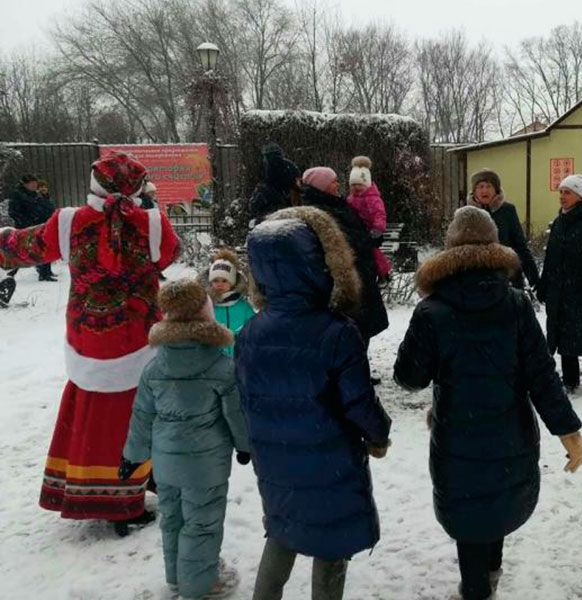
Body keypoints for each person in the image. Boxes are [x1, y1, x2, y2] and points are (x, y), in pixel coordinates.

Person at [394, 206, 582, 600]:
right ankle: (491, 572)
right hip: (510, 431)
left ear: (449, 248)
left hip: (457, 437)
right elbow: (541, 375)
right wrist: (568, 430)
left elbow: (409, 377)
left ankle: (476, 587)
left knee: (469, 510)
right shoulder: (515, 304)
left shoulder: (431, 310)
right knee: (497, 499)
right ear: (494, 245)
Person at [0, 153, 180, 534]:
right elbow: (172, 254)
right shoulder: (151, 224)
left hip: (89, 341)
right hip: (139, 340)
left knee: (94, 419)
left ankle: (100, 489)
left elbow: (22, 247)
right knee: (144, 415)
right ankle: (145, 482)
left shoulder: (68, 222)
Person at [237, 205, 392, 600]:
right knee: (331, 543)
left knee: (283, 531)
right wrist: (379, 435)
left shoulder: (250, 332)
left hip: (276, 461)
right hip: (330, 462)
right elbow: (358, 403)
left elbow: (246, 398)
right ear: (320, 264)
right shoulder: (337, 333)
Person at [120, 279, 250, 599]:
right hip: (205, 465)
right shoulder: (221, 366)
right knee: (202, 524)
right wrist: (246, 446)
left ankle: (177, 577)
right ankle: (199, 588)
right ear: (206, 316)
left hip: (165, 463)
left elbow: (142, 414)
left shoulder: (154, 367)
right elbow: (236, 413)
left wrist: (133, 455)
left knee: (173, 520)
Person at [537, 174, 582, 397]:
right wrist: (543, 284)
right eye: (560, 192)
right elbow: (551, 259)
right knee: (564, 339)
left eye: (567, 192)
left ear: (579, 195)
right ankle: (570, 381)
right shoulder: (559, 222)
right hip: (560, 293)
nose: (562, 196)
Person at [301, 166, 389, 350]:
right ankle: (352, 371)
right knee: (353, 327)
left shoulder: (337, 203)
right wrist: (368, 240)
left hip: (360, 271)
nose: (337, 185)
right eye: (333, 181)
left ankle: (358, 368)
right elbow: (346, 239)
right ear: (322, 185)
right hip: (348, 276)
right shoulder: (322, 210)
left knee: (360, 327)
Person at [468, 169, 540, 290]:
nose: (484, 190)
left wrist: (534, 279)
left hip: (507, 278)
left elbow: (520, 246)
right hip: (475, 280)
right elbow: (455, 250)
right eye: (480, 186)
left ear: (496, 189)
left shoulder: (507, 211)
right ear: (474, 191)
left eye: (488, 186)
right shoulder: (466, 213)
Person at [198, 248, 255, 357]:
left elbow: (253, 329)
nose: (219, 284)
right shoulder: (206, 305)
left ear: (233, 283)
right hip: (213, 360)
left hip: (239, 357)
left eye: (224, 281)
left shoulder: (243, 306)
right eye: (215, 280)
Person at [346, 156, 392, 281]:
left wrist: (377, 228)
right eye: (353, 184)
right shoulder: (351, 198)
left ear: (367, 184)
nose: (356, 187)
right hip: (358, 230)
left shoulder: (373, 199)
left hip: (370, 230)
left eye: (359, 184)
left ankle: (384, 272)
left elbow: (379, 214)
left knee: (374, 253)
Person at [9, 174, 56, 281]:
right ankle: (9, 272)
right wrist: (26, 222)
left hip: (40, 226)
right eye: (32, 183)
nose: (35, 185)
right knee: (23, 251)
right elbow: (13, 212)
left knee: (42, 248)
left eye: (36, 183)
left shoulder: (36, 195)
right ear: (25, 184)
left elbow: (47, 208)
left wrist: (46, 197)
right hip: (26, 228)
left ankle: (45, 272)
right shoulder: (18, 195)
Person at [249, 143, 301, 224]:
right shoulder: (290, 166)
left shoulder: (264, 168)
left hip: (271, 213)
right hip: (287, 208)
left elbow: (254, 207)